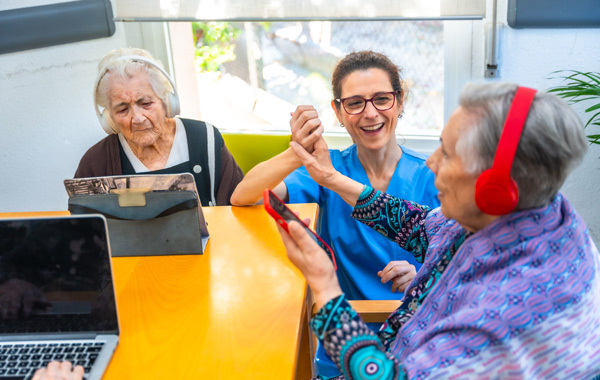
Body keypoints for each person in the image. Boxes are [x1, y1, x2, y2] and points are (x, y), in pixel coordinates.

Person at [277, 82, 600, 379]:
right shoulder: (533, 210)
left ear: (495, 189)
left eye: (446, 153)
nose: (430, 163)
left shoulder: (499, 317)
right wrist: (330, 177)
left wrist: (325, 285)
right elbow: (422, 227)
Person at [231, 51, 439, 377]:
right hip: (341, 336)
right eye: (355, 103)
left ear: (399, 101)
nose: (370, 113)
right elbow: (243, 197)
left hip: (415, 340)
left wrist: (422, 277)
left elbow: (460, 257)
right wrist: (297, 149)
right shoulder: (329, 169)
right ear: (338, 111)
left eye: (382, 99)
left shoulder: (433, 174)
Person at [74, 48, 243, 206]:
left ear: (167, 102)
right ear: (109, 118)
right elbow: (84, 231)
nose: (138, 118)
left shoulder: (205, 139)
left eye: (146, 103)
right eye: (123, 109)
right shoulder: (95, 163)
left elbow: (238, 208)